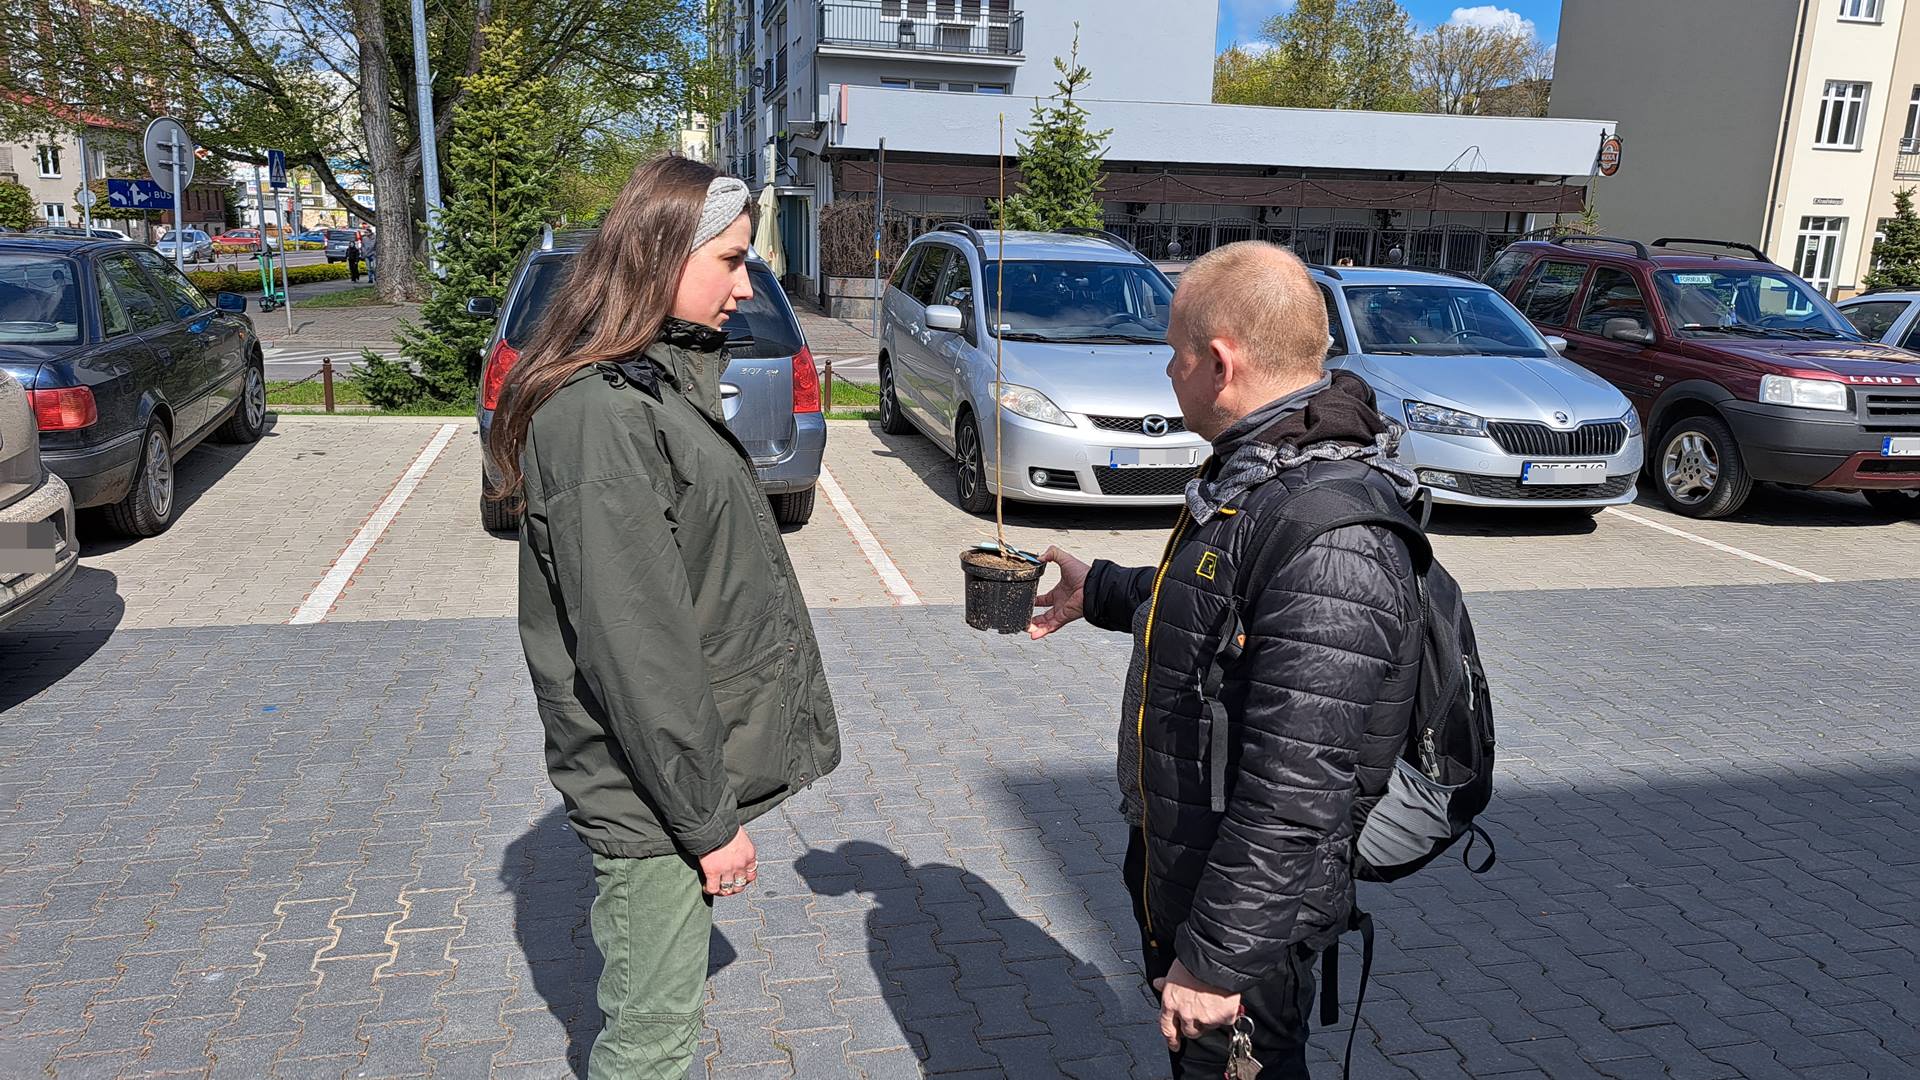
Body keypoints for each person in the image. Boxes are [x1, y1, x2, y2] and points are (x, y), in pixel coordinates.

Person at [1027, 242, 1422, 1078]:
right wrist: (1096, 588)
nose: (1165, 370)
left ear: (1219, 362)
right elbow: (1220, 614)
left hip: (1247, 923)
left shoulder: (1330, 533)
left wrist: (1215, 961)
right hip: (1203, 881)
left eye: (1172, 352)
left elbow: (1296, 788)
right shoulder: (1265, 472)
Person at [486, 155, 840, 1079]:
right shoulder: (602, 418)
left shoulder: (651, 384)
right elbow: (637, 648)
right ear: (658, 256)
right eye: (729, 259)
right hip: (653, 805)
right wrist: (707, 823)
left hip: (668, 792)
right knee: (649, 1048)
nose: (745, 282)